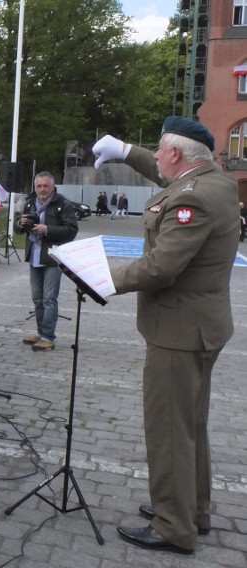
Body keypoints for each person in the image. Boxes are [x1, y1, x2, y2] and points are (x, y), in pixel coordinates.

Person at [93, 117, 239, 555]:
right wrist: (124, 150)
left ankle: (174, 525)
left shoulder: (193, 199)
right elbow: (164, 175)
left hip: (178, 331)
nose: (155, 156)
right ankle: (193, 508)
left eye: (158, 149)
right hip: (201, 325)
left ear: (176, 154)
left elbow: (160, 268)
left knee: (170, 430)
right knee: (191, 424)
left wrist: (100, 276)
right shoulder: (215, 182)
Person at [13, 171, 78, 352]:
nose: (42, 189)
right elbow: (18, 228)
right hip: (34, 255)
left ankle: (48, 337)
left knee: (49, 298)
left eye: (45, 186)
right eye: (39, 186)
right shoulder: (29, 202)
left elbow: (71, 230)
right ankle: (41, 332)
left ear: (52, 186)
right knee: (37, 298)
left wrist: (47, 230)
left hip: (52, 257)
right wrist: (21, 223)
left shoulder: (63, 203)